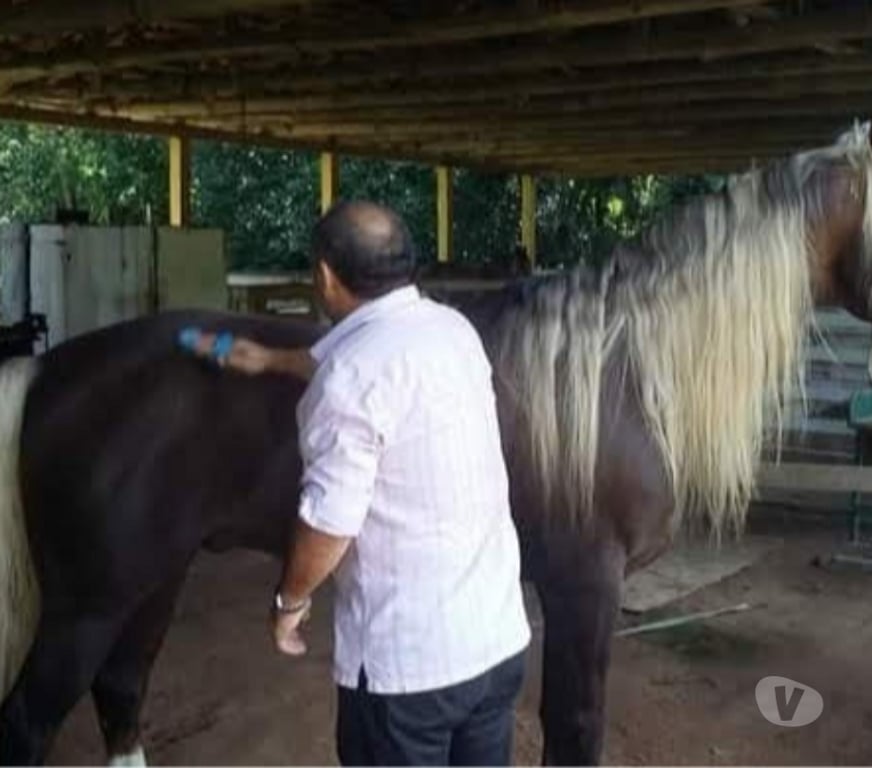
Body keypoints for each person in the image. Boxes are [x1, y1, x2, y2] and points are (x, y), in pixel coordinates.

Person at [187, 201, 530, 766]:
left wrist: (288, 602)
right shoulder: (452, 330)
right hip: (494, 644)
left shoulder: (352, 375)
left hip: (407, 675)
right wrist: (269, 358)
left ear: (324, 276)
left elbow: (330, 523)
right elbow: (357, 361)